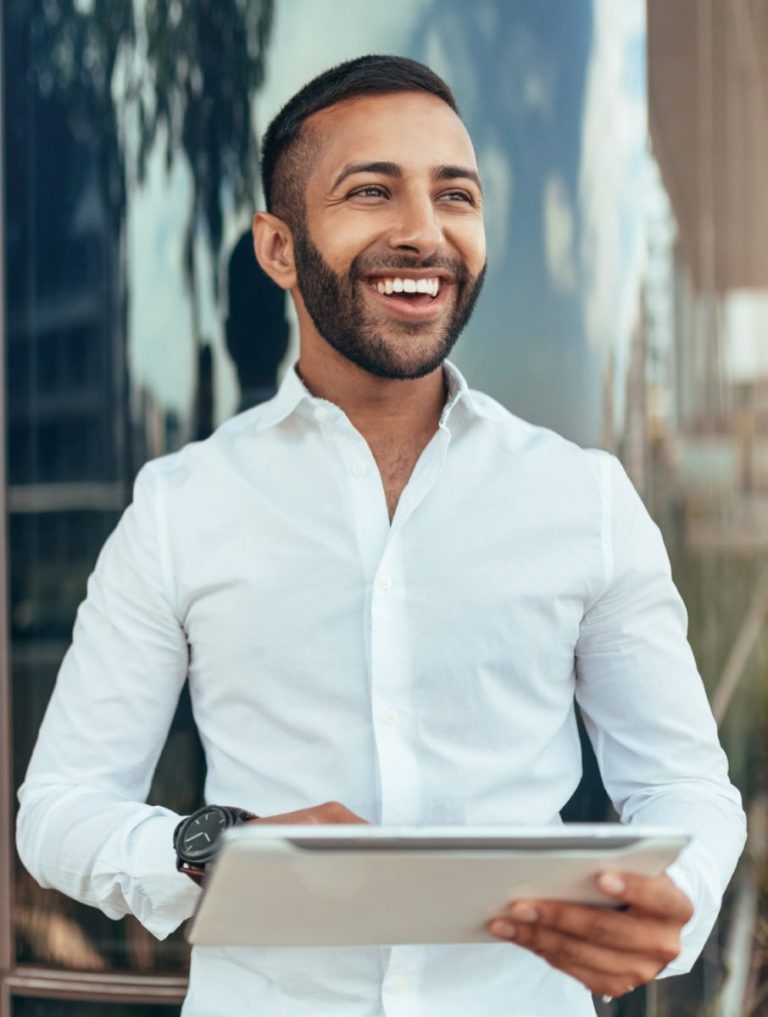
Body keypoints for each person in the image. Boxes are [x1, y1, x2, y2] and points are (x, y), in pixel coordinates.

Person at [17, 55, 746, 1017]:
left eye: (457, 195)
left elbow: (688, 782)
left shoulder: (586, 499)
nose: (423, 232)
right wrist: (214, 843)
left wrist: (675, 902)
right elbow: (60, 808)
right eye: (371, 192)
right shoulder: (178, 507)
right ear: (279, 250)